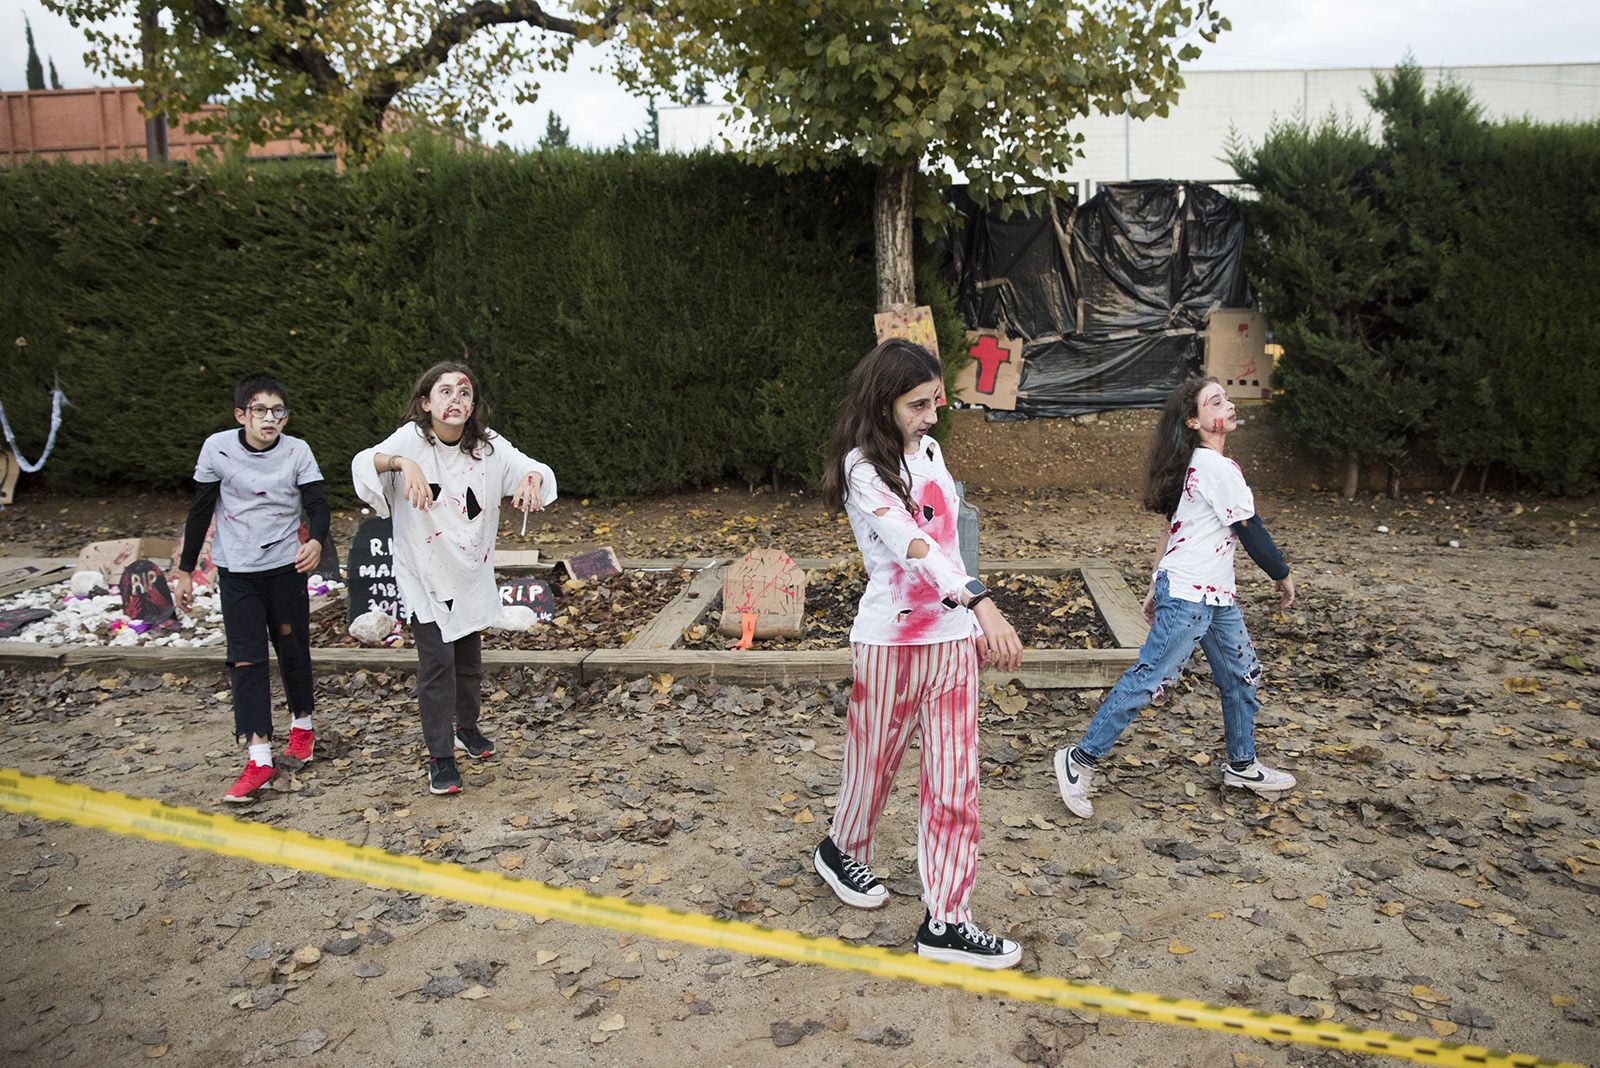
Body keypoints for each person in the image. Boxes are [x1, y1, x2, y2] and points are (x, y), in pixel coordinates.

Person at [810, 338, 1024, 970]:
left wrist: (969, 619)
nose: (932, 415)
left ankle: (946, 920)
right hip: (890, 643)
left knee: (956, 782)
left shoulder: (931, 451)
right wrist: (981, 602)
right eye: (917, 404)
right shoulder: (861, 470)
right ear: (883, 404)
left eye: (936, 400)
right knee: (872, 766)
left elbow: (951, 544)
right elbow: (912, 544)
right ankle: (841, 848)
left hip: (951, 643)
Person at [1055, 376, 1297, 819]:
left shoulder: (1201, 468)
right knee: (1150, 678)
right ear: (1194, 420)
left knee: (1242, 674)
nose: (1228, 405)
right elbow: (1250, 530)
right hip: (1189, 597)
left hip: (1213, 596)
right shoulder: (1214, 468)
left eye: (1226, 398)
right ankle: (1079, 759)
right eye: (1216, 401)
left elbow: (1176, 531)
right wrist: (1281, 574)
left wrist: (1153, 585)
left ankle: (1242, 764)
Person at [352, 362, 555, 796]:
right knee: (437, 662)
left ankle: (468, 727)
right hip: (423, 571)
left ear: (474, 404)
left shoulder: (487, 446)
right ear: (426, 403)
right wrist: (404, 464)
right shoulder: (410, 439)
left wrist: (532, 479)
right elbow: (363, 462)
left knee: (468, 660)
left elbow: (530, 466)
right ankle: (440, 756)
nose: (455, 400)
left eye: (464, 393)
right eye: (444, 392)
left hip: (468, 569)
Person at [175, 373, 329, 803]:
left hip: (285, 569)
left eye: (278, 411)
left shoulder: (297, 451)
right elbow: (200, 510)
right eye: (259, 410)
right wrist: (186, 570)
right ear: (241, 414)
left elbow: (317, 503)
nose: (270, 419)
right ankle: (259, 756)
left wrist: (315, 540)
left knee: (292, 650)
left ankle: (302, 726)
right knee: (245, 661)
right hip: (237, 572)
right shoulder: (217, 448)